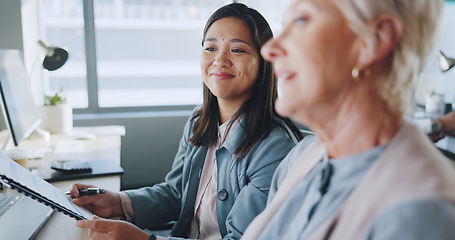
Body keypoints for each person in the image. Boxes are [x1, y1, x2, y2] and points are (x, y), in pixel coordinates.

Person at [70, 3, 303, 240]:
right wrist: (118, 202)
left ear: (264, 63)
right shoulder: (199, 120)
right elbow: (177, 194)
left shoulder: (276, 149)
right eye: (211, 48)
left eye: (238, 50)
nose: (220, 60)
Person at [241, 0, 455, 239]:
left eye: (301, 21)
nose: (269, 49)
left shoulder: (419, 215)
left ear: (374, 40)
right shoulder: (301, 158)